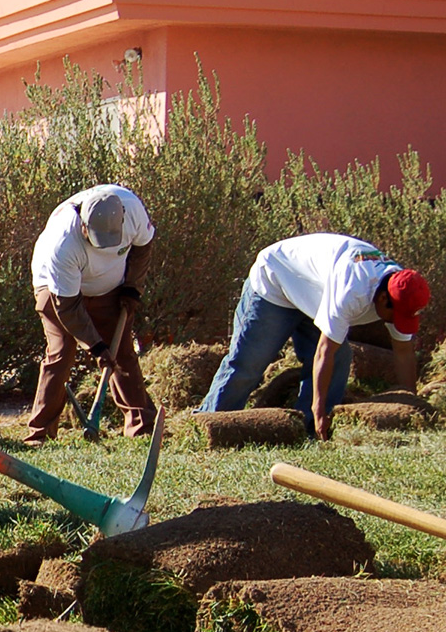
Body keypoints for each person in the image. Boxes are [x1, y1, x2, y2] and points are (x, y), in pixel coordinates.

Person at [199, 234, 430, 438]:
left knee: (341, 359)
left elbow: (404, 352)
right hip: (277, 280)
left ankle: (308, 431)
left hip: (315, 292)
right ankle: (208, 425)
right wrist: (318, 407)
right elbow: (324, 352)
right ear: (382, 300)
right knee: (250, 363)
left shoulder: (404, 291)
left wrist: (411, 404)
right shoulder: (352, 290)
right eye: (395, 316)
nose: (395, 322)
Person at [21, 185, 158, 446]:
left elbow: (143, 248)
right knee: (62, 352)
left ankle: (142, 427)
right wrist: (96, 347)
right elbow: (69, 308)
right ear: (83, 225)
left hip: (111, 285)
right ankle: (40, 433)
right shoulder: (62, 243)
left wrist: (132, 287)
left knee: (122, 352)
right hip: (57, 289)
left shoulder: (133, 211)